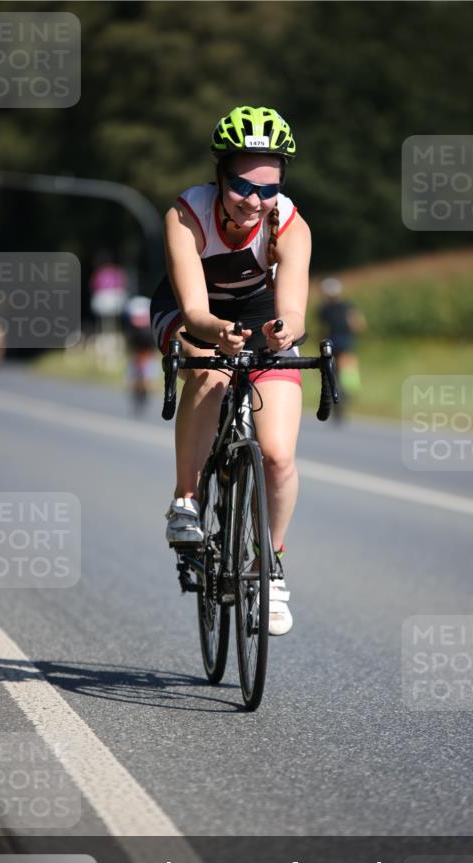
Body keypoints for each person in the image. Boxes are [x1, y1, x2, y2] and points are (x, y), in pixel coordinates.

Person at [150, 105, 311, 636]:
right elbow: (196, 310)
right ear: (219, 175)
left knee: (279, 457)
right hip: (191, 308)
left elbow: (292, 312)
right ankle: (186, 499)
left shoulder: (289, 224)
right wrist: (212, 332)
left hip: (257, 315)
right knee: (209, 371)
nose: (254, 201)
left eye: (268, 189)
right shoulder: (186, 216)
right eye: (242, 185)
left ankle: (272, 569)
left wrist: (283, 332)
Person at [318, 277, 365, 420]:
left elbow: (321, 328)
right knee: (348, 370)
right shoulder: (347, 306)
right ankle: (348, 393)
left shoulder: (324, 309)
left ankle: (336, 394)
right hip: (346, 342)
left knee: (332, 371)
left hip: (330, 344)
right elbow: (358, 324)